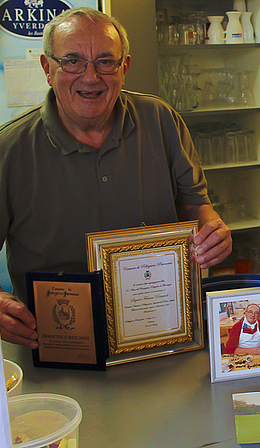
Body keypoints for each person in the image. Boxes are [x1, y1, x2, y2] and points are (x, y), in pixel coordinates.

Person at [0, 8, 232, 349]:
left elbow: (196, 205)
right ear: (47, 69)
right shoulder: (9, 148)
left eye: (105, 62)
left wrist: (213, 232)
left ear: (123, 68)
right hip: (55, 344)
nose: (90, 77)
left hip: (161, 332)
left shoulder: (161, 120)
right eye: (72, 61)